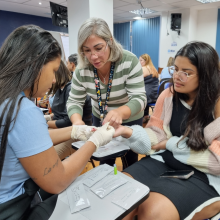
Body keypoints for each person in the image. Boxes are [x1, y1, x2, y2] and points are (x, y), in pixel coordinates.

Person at [0, 25, 115, 220]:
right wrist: (94, 142)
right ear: (35, 65)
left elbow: (28, 140)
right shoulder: (23, 111)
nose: (54, 80)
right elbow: (58, 181)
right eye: (53, 71)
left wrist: (75, 131)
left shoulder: (7, 100)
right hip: (13, 207)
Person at [114, 42, 220, 220]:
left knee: (153, 211)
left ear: (205, 76)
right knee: (119, 192)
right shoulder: (169, 95)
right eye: (175, 69)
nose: (177, 77)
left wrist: (170, 144)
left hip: (205, 175)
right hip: (164, 161)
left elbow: (216, 163)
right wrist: (129, 132)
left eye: (186, 73)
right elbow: (157, 137)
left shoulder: (216, 103)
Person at [67, 17, 147, 167]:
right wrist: (77, 123)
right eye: (87, 50)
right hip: (101, 116)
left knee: (130, 159)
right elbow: (74, 101)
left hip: (130, 117)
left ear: (110, 41)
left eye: (98, 48)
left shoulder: (128, 61)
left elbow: (139, 98)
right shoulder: (82, 69)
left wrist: (120, 112)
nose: (93, 57)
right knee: (104, 159)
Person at [46, 60, 92, 160]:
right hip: (63, 129)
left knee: (48, 157)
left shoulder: (71, 89)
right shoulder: (59, 88)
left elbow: (67, 121)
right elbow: (59, 112)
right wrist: (48, 117)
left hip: (74, 133)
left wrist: (46, 123)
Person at [139, 54, 159, 123]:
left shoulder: (144, 68)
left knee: (139, 95)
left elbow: (137, 79)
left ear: (146, 61)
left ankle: (140, 117)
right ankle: (146, 115)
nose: (139, 62)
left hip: (147, 96)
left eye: (141, 60)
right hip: (155, 95)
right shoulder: (153, 68)